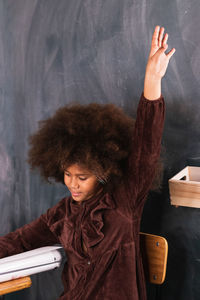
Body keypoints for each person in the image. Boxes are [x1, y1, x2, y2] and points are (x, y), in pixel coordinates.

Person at [0, 26, 175, 300]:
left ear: (102, 171)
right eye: (67, 174)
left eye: (82, 177)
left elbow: (146, 146)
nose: (72, 184)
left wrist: (152, 78)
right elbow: (19, 240)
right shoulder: (62, 213)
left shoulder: (124, 201)